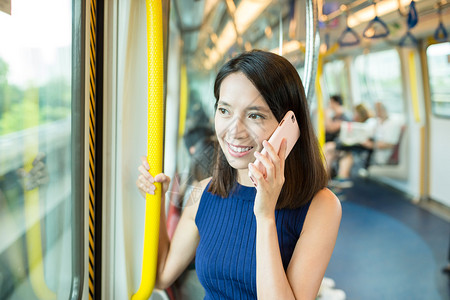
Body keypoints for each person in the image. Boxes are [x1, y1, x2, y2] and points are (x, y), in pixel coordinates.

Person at [136, 50, 342, 299]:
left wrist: (265, 215)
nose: (234, 131)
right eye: (224, 111)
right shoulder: (202, 192)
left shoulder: (322, 206)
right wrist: (156, 200)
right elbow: (161, 275)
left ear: (288, 127)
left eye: (255, 115)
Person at [324, 95, 350, 179]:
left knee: (326, 151)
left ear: (336, 103)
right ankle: (325, 179)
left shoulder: (343, 116)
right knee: (328, 156)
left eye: (330, 102)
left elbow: (330, 128)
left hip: (341, 144)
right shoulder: (335, 116)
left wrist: (326, 115)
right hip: (334, 143)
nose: (329, 105)